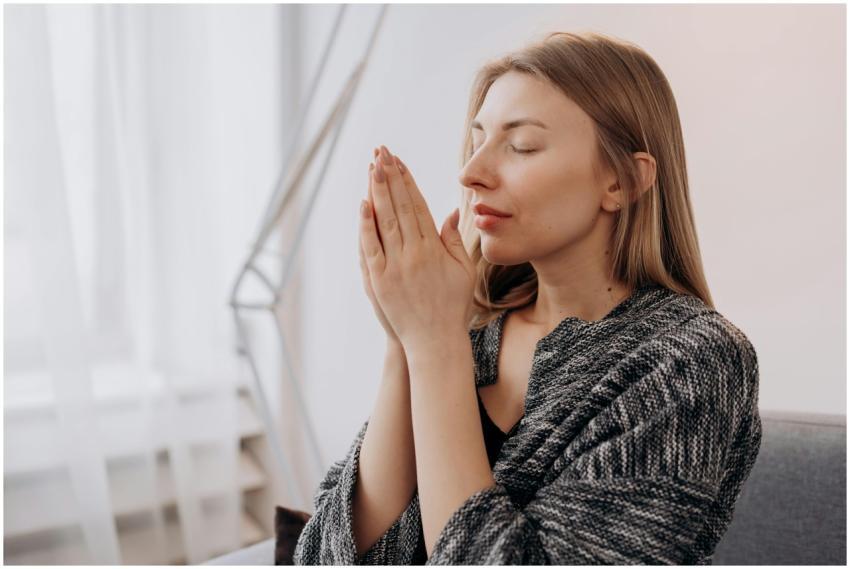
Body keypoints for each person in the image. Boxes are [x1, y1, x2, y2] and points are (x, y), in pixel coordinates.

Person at [291, 30, 762, 565]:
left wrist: (434, 344)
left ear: (623, 180)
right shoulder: (468, 326)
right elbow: (326, 559)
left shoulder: (692, 360)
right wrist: (406, 339)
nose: (471, 174)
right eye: (477, 143)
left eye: (521, 146)